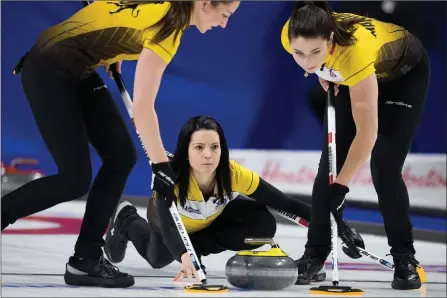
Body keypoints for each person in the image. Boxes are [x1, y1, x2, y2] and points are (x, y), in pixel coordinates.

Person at [2, 0, 240, 288]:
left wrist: (113, 49)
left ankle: (85, 259)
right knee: (74, 180)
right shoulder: (170, 28)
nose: (225, 24)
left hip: (78, 64)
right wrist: (161, 165)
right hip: (51, 69)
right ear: (204, 4)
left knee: (121, 156)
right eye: (225, 15)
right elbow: (142, 107)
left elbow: (114, 15)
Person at [280, 1, 430, 290]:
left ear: (331, 41)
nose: (307, 62)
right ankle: (314, 254)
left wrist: (342, 189)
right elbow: (311, 59)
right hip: (353, 76)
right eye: (299, 54)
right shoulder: (291, 33)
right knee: (330, 166)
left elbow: (367, 133)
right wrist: (322, 71)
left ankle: (404, 257)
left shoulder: (354, 52)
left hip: (402, 75)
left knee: (385, 166)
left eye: (315, 53)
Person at [103, 115, 328, 283]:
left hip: (210, 221)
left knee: (262, 225)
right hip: (168, 225)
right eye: (199, 148)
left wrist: (336, 224)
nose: (208, 154)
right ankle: (126, 218)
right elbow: (170, 227)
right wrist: (183, 255)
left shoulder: (233, 174)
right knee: (158, 259)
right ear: (186, 151)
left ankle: (196, 248)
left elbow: (285, 203)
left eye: (214, 147)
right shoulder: (169, 179)